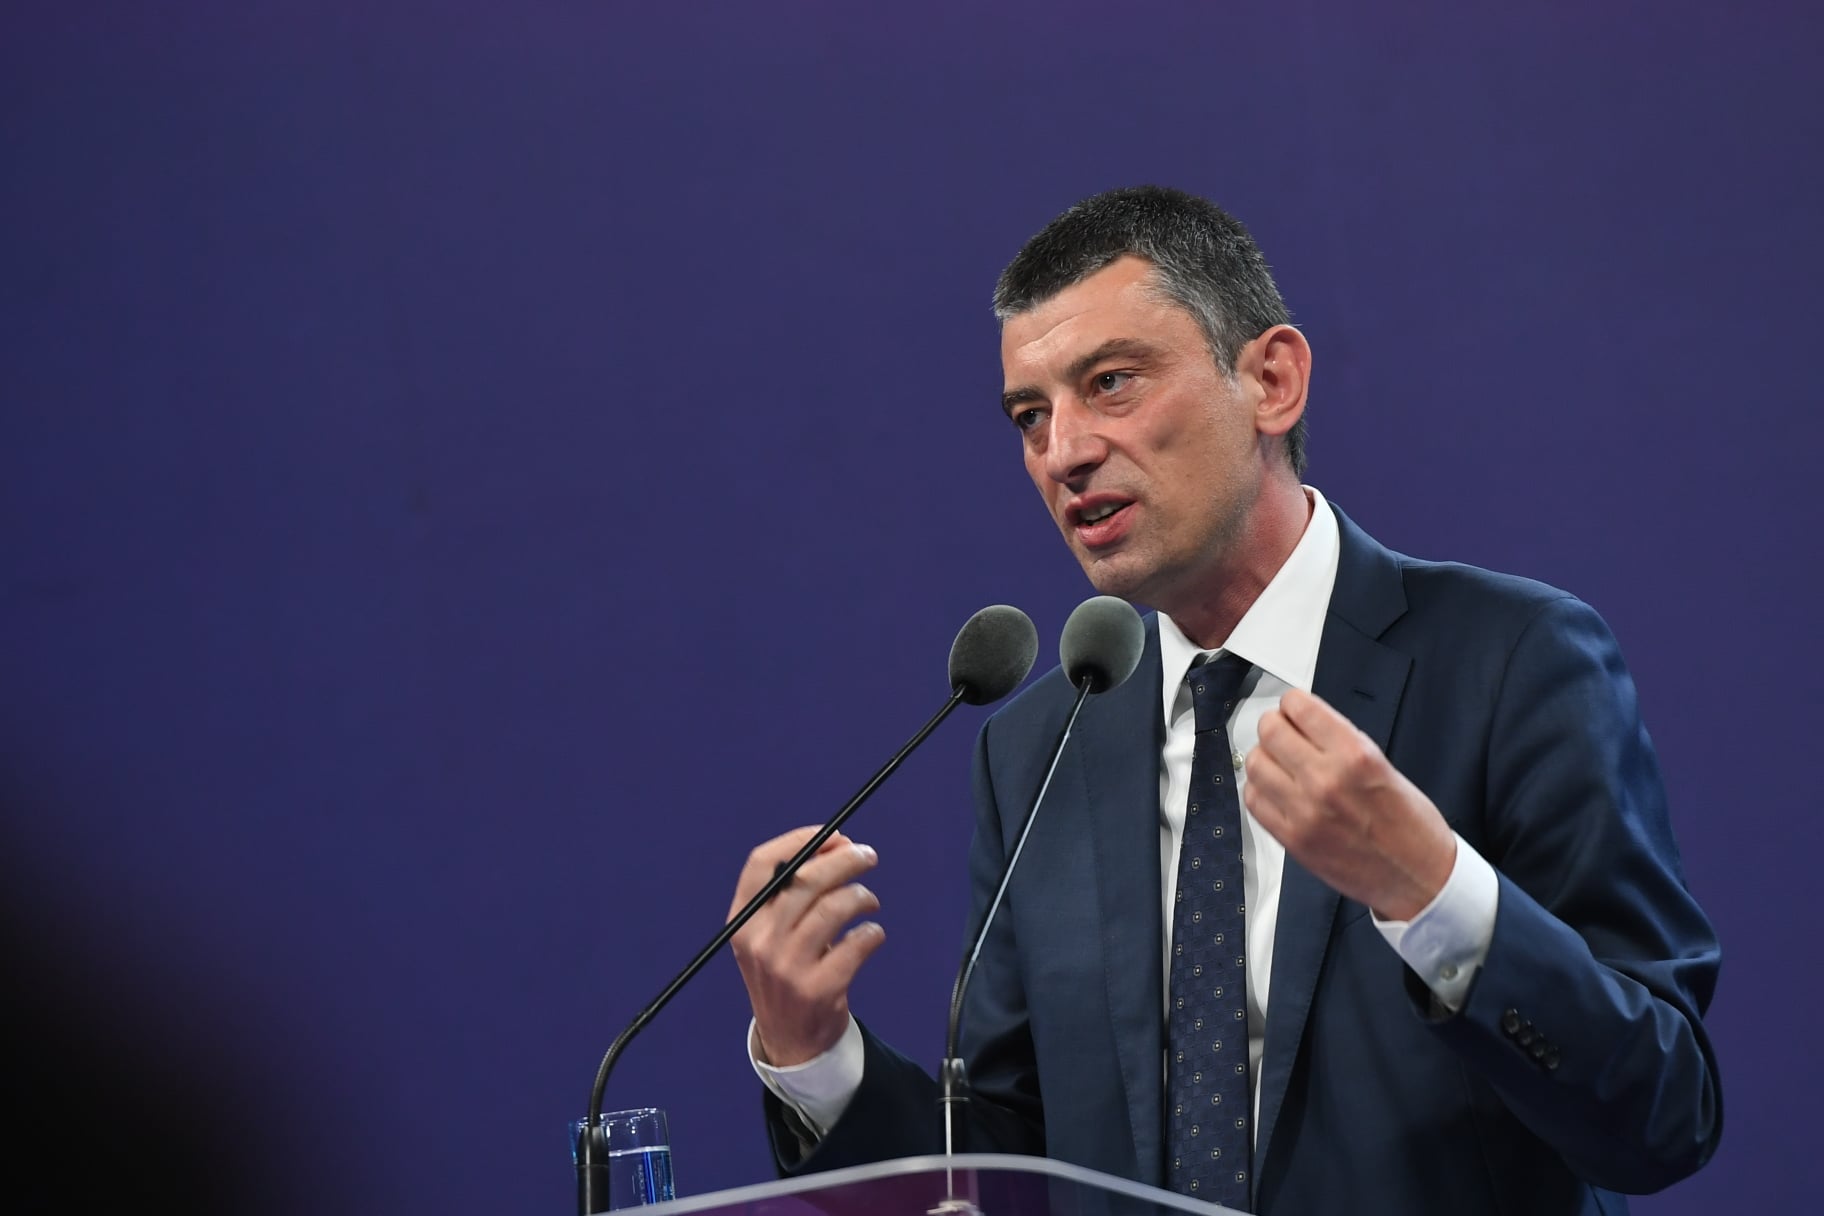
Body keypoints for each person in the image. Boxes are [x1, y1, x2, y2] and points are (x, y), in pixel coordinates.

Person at [725, 186, 1722, 1215]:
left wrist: (1437, 895)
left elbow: (1663, 1113)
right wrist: (815, 1056)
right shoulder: (1037, 747)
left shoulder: (1510, 659)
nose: (1063, 451)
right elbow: (1020, 1168)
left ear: (1271, 381)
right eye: (1031, 416)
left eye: (1110, 383)